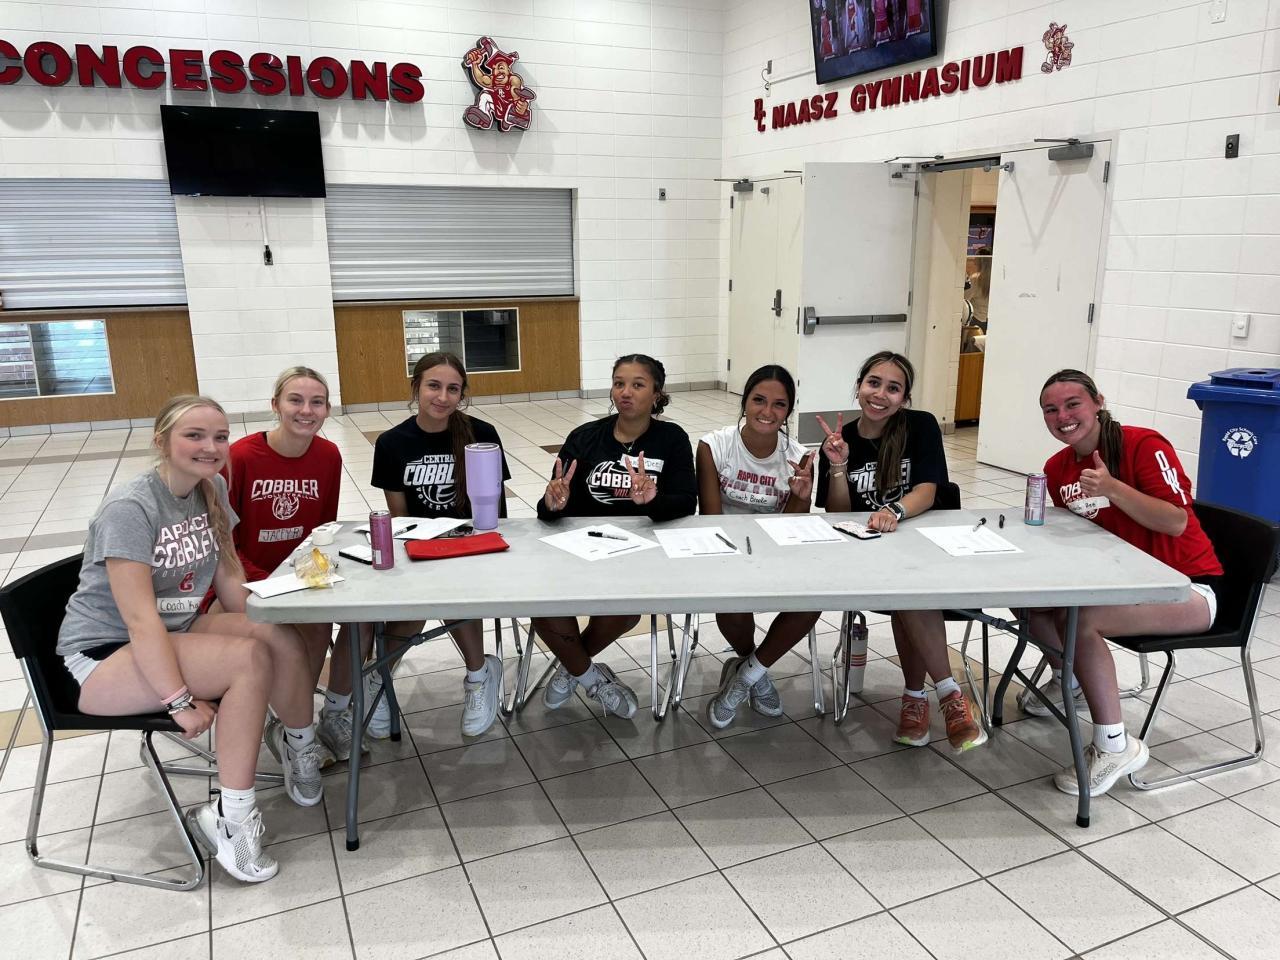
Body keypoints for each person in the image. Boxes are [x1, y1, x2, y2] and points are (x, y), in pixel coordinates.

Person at [56, 395, 325, 884]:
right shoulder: (130, 508)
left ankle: (299, 746)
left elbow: (228, 577)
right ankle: (231, 818)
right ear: (162, 442)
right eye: (194, 436)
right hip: (102, 656)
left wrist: (268, 615)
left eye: (220, 437)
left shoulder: (211, 486)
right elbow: (139, 621)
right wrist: (178, 700)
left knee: (274, 636)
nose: (211, 447)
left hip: (175, 630)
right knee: (246, 661)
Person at [1030, 369, 1222, 796]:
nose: (1062, 417)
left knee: (1081, 621)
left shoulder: (1143, 445)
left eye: (1073, 404)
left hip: (1188, 587)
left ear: (1098, 402)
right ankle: (1071, 681)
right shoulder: (1057, 468)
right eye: (1051, 410)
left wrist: (1113, 488)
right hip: (1125, 583)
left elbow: (1176, 522)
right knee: (1031, 602)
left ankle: (1114, 745)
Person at [812, 350, 986, 751]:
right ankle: (944, 696)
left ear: (904, 398)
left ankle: (921, 697)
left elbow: (928, 489)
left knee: (909, 587)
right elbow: (839, 513)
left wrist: (895, 511)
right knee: (906, 588)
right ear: (859, 386)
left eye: (893, 388)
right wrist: (838, 465)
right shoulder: (840, 440)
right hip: (869, 555)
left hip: (923, 547)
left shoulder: (920, 426)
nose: (880, 394)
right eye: (873, 383)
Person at [534, 354, 697, 718]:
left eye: (638, 385)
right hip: (582, 548)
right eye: (619, 383)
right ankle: (589, 676)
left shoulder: (671, 439)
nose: (626, 392)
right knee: (542, 608)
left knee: (623, 611)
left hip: (642, 554)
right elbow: (550, 506)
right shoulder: (585, 437)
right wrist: (553, 503)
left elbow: (687, 503)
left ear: (657, 394)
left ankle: (572, 667)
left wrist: (654, 501)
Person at [226, 366, 368, 768]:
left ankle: (334, 714)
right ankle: (296, 729)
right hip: (249, 577)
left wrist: (317, 571)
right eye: (296, 400)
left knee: (363, 619)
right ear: (275, 405)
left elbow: (322, 527)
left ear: (327, 410)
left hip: (301, 570)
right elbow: (225, 543)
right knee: (309, 629)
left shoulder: (328, 455)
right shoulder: (240, 456)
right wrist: (271, 581)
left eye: (316, 402)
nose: (307, 410)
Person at [370, 351, 511, 738]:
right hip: (421, 548)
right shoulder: (392, 443)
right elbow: (399, 519)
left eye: (453, 389)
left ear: (462, 393)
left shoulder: (482, 435)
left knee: (451, 590)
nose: (443, 397)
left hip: (472, 546)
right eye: (434, 386)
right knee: (424, 595)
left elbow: (496, 510)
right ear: (416, 387)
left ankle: (478, 675)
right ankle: (379, 679)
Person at [697, 364, 821, 728]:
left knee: (814, 600)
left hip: (775, 552)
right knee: (731, 599)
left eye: (779, 405)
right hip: (725, 552)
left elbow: (792, 530)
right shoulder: (714, 446)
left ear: (788, 411)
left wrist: (801, 496)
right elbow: (712, 520)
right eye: (759, 400)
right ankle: (754, 668)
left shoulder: (799, 457)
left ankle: (746, 674)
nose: (767, 412)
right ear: (745, 401)